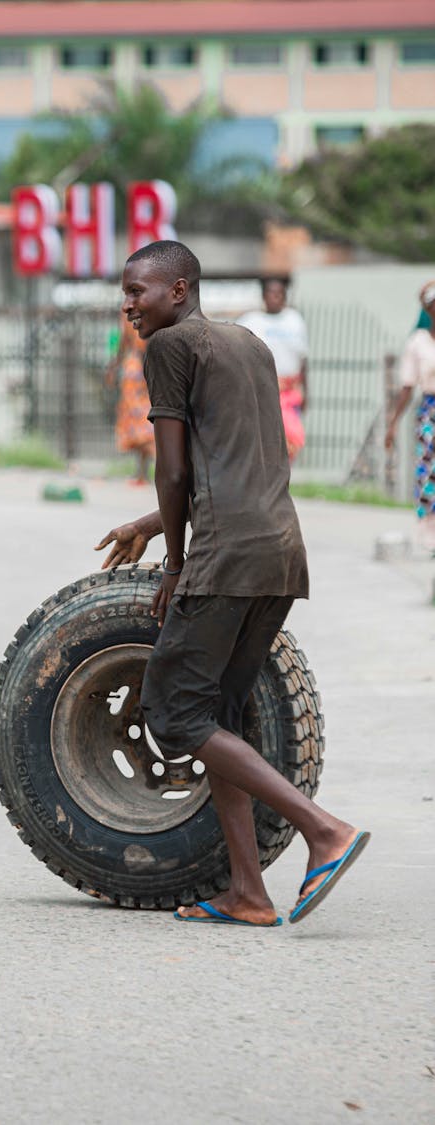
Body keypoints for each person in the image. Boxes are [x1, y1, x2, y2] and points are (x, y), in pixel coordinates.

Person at [95, 240, 369, 927]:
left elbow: (178, 472)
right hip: (279, 551)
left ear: (179, 290)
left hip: (224, 557)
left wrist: (179, 561)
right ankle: (248, 892)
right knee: (217, 720)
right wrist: (151, 525)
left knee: (174, 713)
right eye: (125, 292)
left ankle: (323, 831)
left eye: (140, 291)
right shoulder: (247, 342)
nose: (128, 304)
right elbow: (241, 464)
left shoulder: (168, 349)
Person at [385, 280, 435, 554]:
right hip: (430, 413)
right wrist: (393, 424)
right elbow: (407, 386)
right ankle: (430, 537)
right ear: (429, 309)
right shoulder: (418, 343)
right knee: (429, 474)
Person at [238, 278, 308, 463]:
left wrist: (307, 392)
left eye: (279, 294)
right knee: (265, 436)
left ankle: (281, 478)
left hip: (289, 392)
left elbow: (303, 359)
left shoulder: (294, 320)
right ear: (263, 296)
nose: (275, 297)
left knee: (291, 437)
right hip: (261, 390)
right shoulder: (251, 321)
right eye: (271, 293)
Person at [105, 315, 155, 485]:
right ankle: (142, 472)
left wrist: (114, 367)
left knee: (143, 423)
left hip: (137, 369)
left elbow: (124, 343)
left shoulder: (132, 309)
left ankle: (145, 471)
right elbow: (124, 342)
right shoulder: (146, 306)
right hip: (140, 370)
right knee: (142, 423)